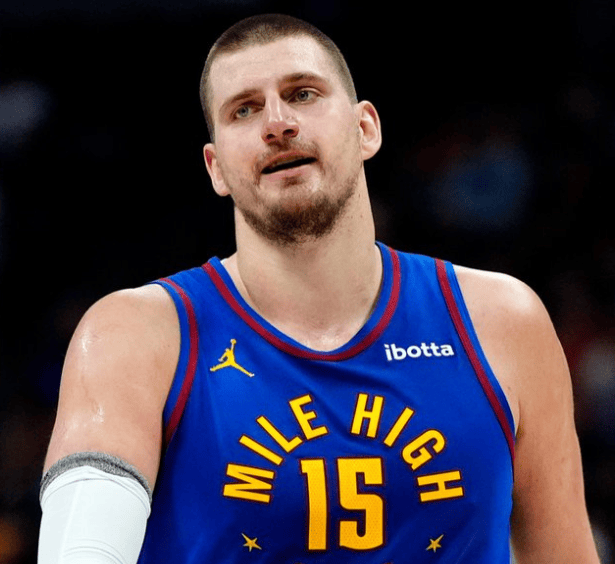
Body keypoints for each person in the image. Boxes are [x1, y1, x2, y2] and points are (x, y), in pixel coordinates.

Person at [38, 13, 600, 564]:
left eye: (302, 94)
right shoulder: (135, 335)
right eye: (244, 109)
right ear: (215, 168)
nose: (277, 123)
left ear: (365, 128)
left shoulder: (502, 320)